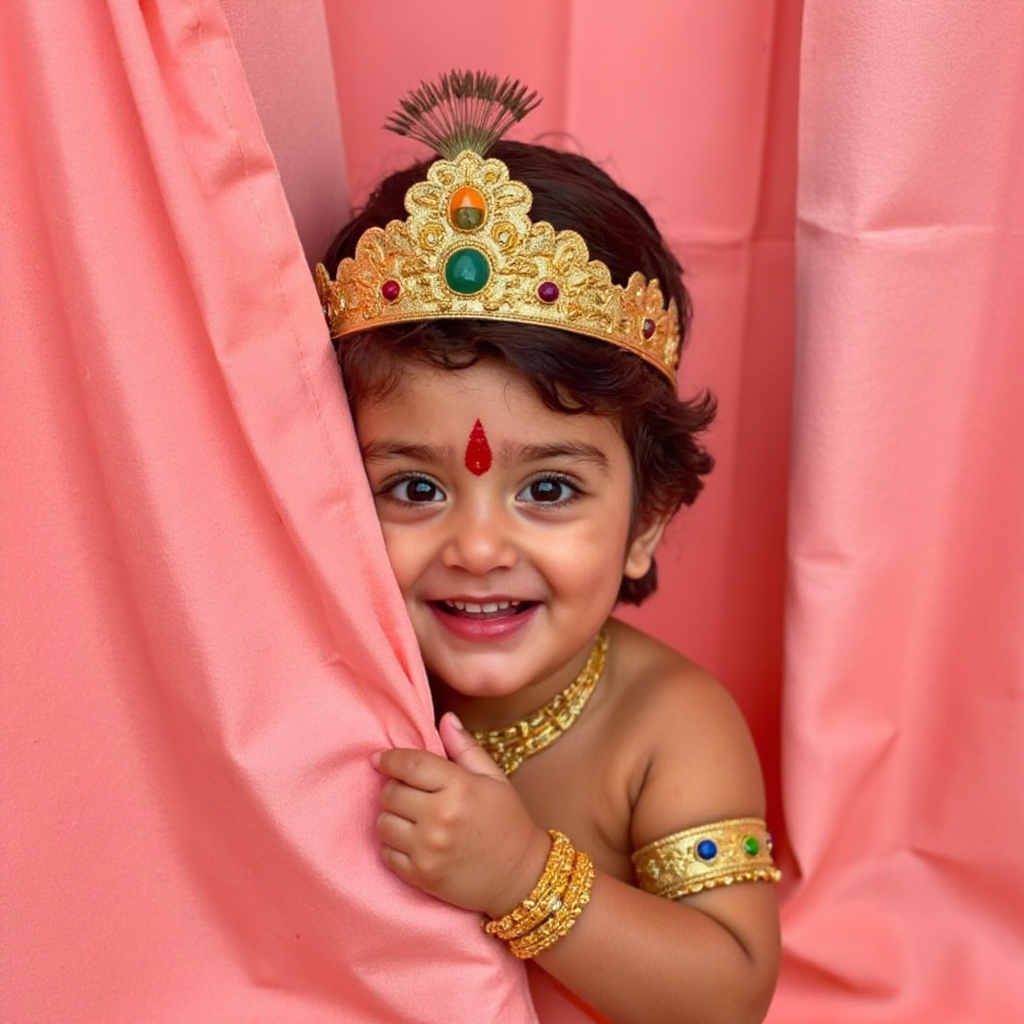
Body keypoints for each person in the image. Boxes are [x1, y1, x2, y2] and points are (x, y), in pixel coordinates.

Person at [317, 71, 781, 1024]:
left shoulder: (666, 730)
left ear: (646, 520)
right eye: (414, 488)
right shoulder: (337, 683)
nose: (479, 547)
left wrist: (522, 875)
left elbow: (731, 993)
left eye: (548, 489)